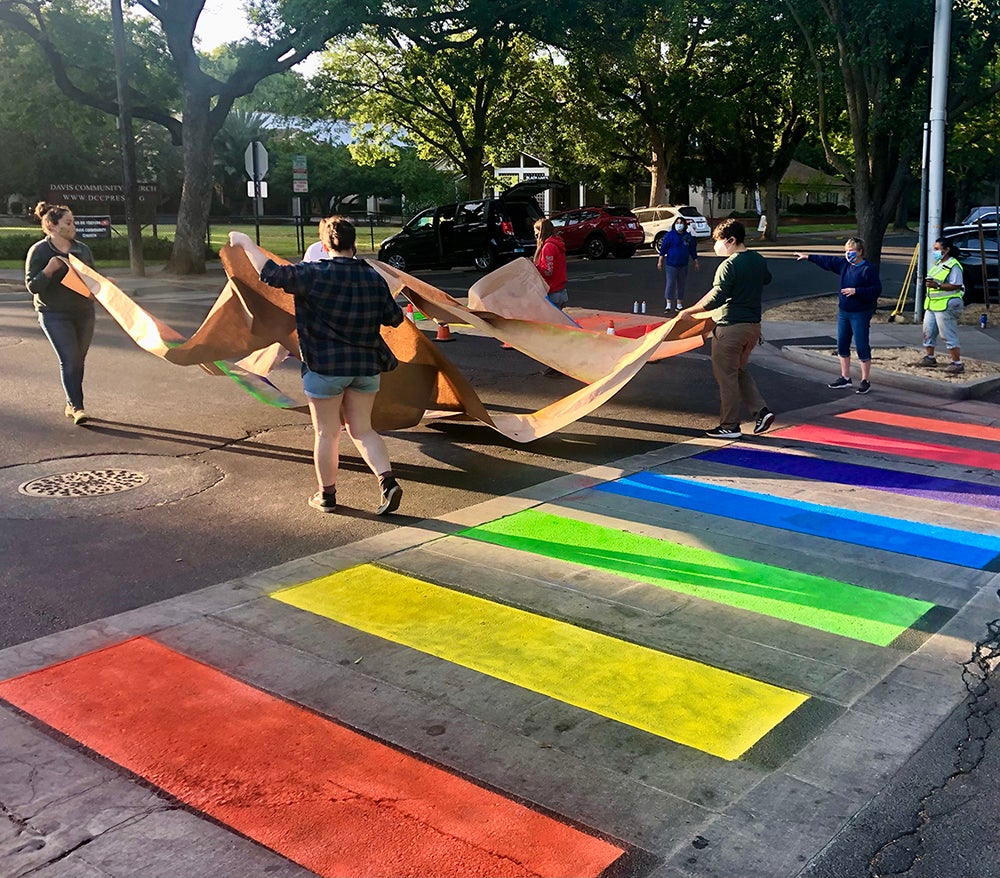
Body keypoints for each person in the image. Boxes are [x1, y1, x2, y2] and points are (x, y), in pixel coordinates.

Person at [228, 217, 405, 515]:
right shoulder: (372, 277)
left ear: (323, 246)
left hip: (323, 368)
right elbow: (394, 319)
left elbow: (269, 273)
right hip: (365, 366)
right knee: (362, 429)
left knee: (327, 433)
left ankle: (327, 496)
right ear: (355, 244)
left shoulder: (312, 274)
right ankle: (388, 482)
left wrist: (246, 242)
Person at [677, 218, 774, 439]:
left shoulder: (729, 265)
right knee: (738, 371)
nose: (715, 246)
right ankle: (761, 411)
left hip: (730, 328)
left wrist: (690, 311)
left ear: (731, 240)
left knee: (726, 377)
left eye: (718, 241)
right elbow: (766, 279)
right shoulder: (757, 260)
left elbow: (716, 297)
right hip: (752, 328)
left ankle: (729, 425)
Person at [25, 202, 97, 425]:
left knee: (79, 360)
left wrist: (103, 285)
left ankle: (70, 401)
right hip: (53, 313)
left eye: (73, 221)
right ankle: (78, 407)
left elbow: (92, 279)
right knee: (70, 359)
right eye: (68, 222)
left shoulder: (82, 250)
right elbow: (32, 286)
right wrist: (49, 270)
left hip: (83, 312)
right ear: (52, 225)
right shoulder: (40, 251)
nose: (73, 226)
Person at [794, 237, 882, 394]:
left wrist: (857, 291)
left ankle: (865, 380)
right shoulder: (844, 265)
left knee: (861, 345)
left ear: (860, 251)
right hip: (844, 312)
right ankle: (845, 377)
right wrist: (808, 257)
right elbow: (828, 261)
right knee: (842, 344)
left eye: (852, 251)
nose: (849, 254)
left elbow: (876, 290)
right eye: (847, 251)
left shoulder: (868, 269)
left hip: (860, 312)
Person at [920, 237, 965, 374]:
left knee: (947, 334)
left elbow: (957, 285)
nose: (934, 251)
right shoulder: (938, 264)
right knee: (928, 331)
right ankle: (930, 357)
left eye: (937, 249)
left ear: (947, 250)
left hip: (947, 305)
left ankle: (957, 362)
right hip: (933, 304)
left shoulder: (954, 265)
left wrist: (937, 285)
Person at [656, 217, 700, 312]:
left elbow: (692, 249)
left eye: (681, 223)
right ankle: (668, 304)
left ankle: (679, 304)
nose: (679, 225)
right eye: (677, 223)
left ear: (684, 225)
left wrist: (696, 261)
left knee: (681, 284)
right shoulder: (669, 235)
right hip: (671, 264)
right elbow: (663, 248)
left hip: (683, 264)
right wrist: (660, 261)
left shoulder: (687, 236)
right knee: (670, 283)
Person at [533, 218, 567, 309]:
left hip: (552, 292)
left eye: (537, 235)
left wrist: (534, 267)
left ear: (542, 233)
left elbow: (548, 271)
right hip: (561, 291)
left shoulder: (548, 247)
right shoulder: (558, 244)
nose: (536, 238)